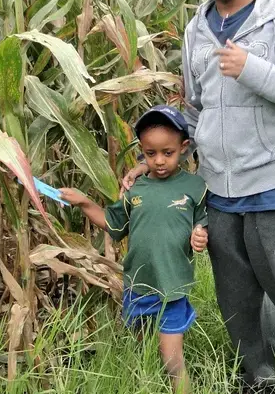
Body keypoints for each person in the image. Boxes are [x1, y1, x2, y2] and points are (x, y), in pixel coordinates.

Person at [122, 0, 275, 393]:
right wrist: (154, 165)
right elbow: (196, 112)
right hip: (219, 196)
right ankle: (261, 380)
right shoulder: (196, 30)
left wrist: (253, 70)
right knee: (240, 308)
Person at [60, 105, 210, 394]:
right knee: (143, 352)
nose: (159, 161)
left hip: (172, 287)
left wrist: (201, 234)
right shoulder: (135, 191)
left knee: (172, 361)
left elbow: (203, 221)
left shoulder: (195, 187)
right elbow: (113, 223)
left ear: (183, 148)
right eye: (151, 154)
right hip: (137, 286)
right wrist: (83, 202)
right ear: (142, 151)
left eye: (168, 153)